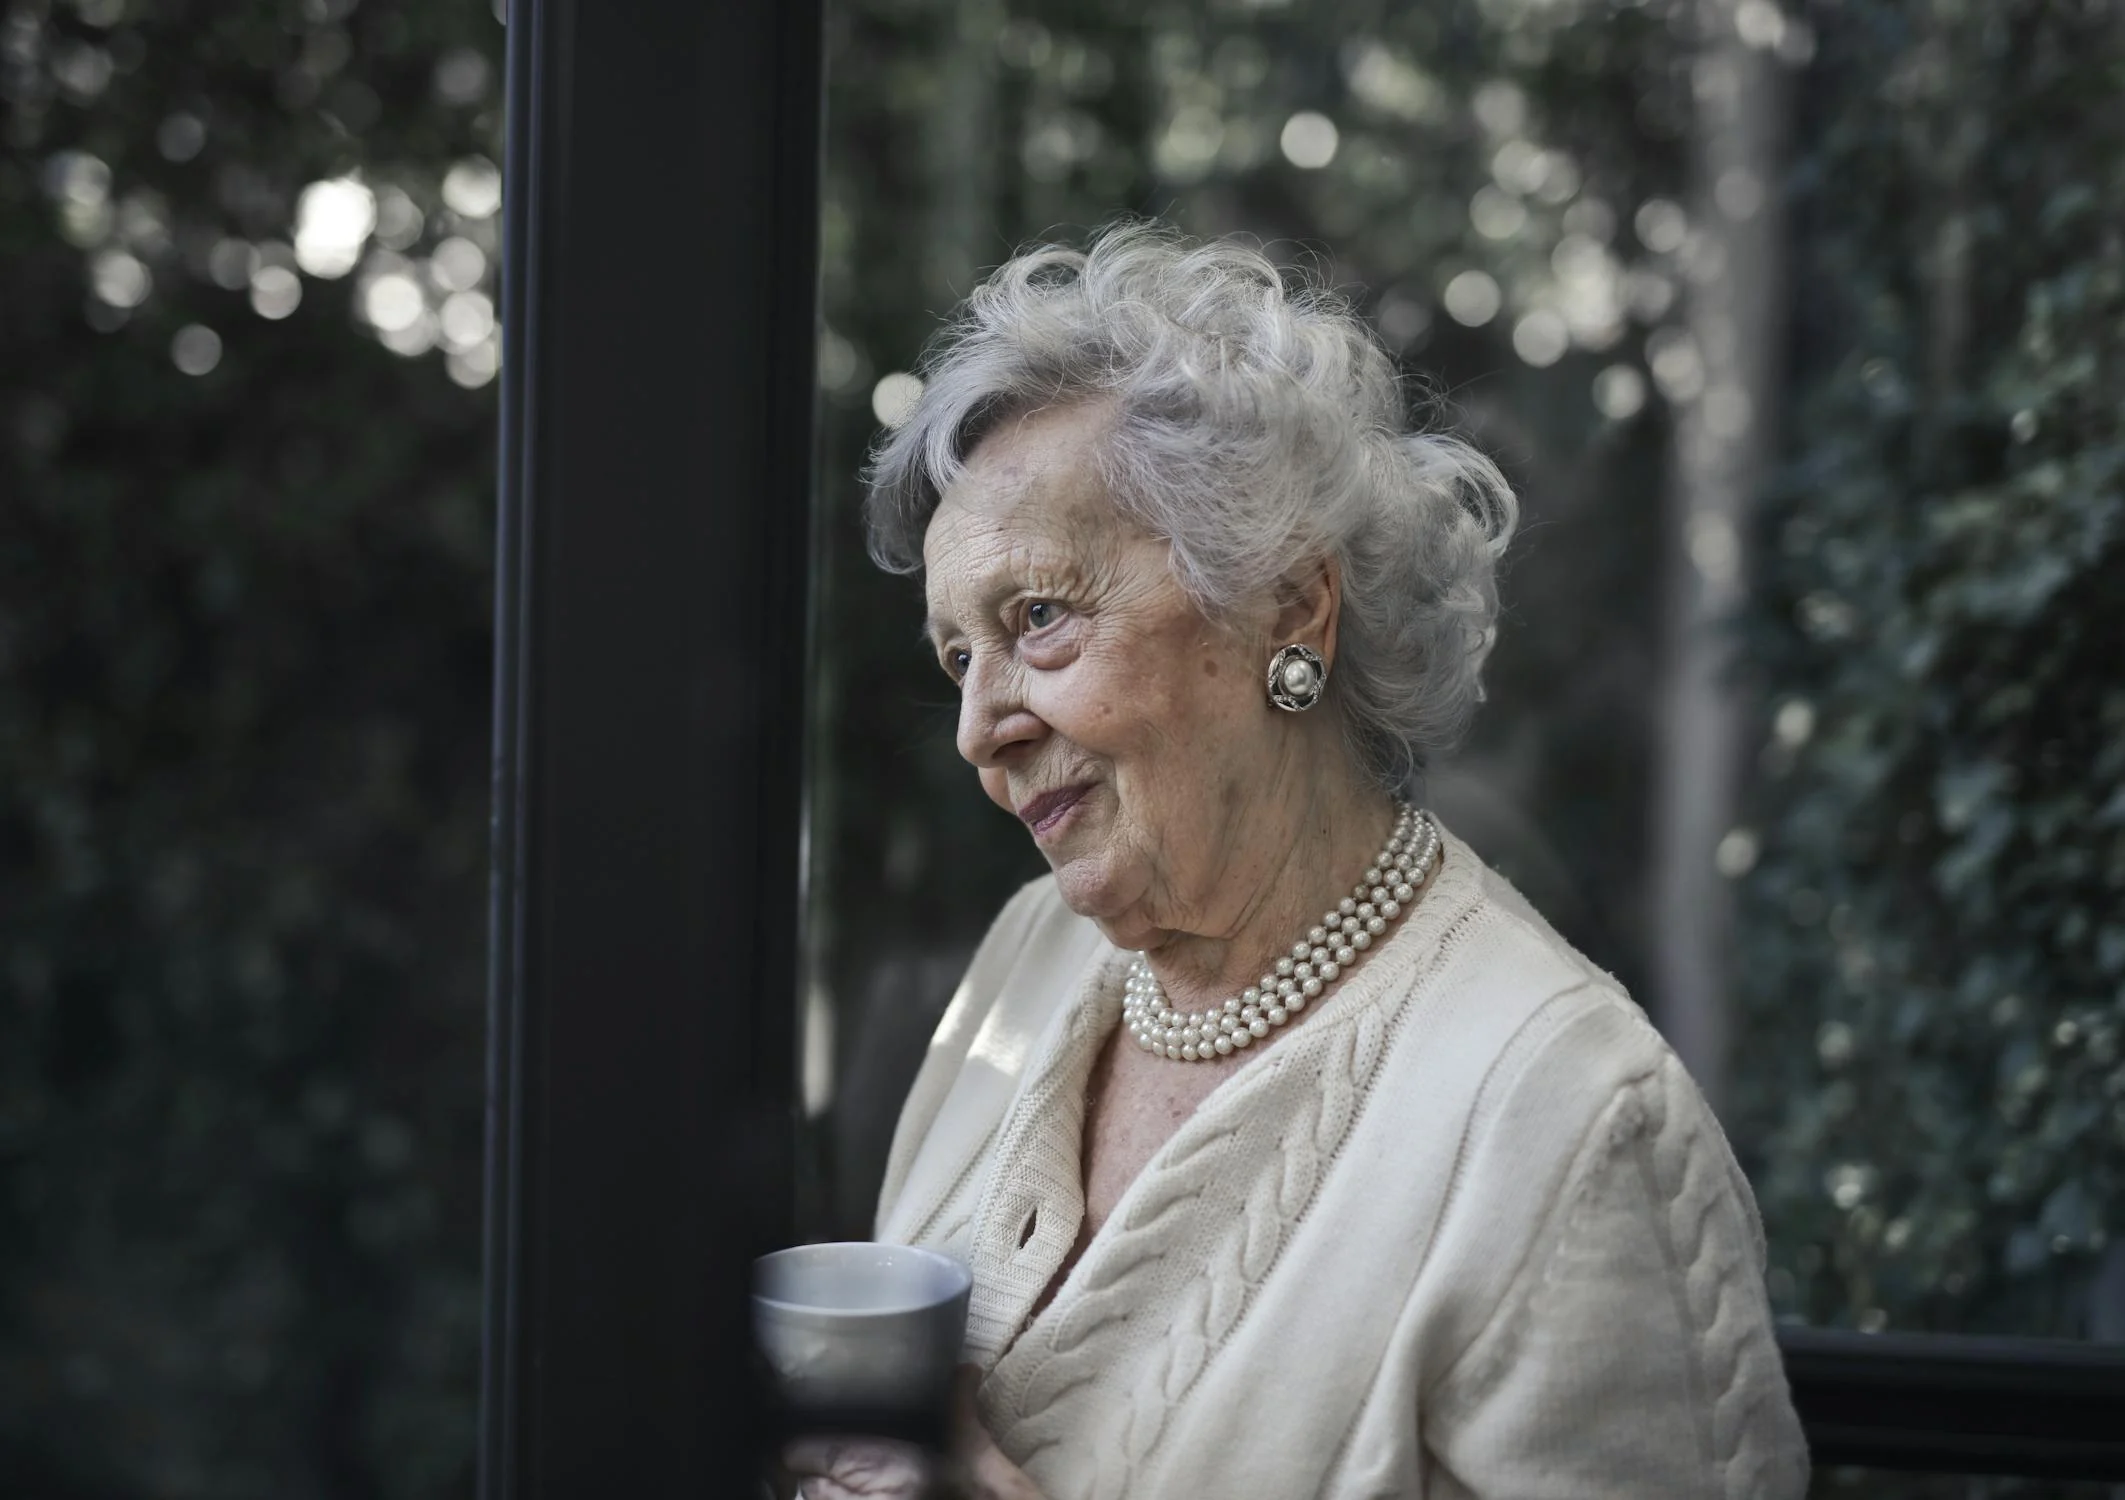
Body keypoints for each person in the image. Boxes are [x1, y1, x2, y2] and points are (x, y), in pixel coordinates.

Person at [789, 225, 1808, 1499]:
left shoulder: (1571, 1126)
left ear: (1288, 608)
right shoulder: (1023, 962)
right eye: (956, 656)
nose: (975, 727)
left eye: (1037, 618)